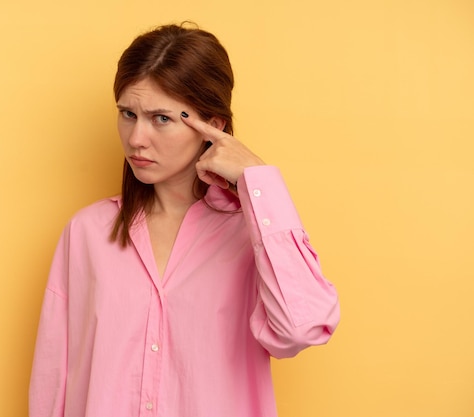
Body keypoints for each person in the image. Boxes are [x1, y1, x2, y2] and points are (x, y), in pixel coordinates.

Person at [29, 23, 340, 417]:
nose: (136, 138)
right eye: (128, 113)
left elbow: (302, 328)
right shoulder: (88, 233)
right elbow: (53, 382)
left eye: (161, 118)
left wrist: (257, 179)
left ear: (214, 125)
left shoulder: (254, 236)